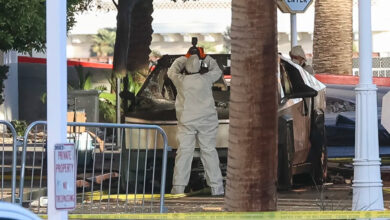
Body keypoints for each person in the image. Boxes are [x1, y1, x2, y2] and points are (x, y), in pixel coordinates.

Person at [167, 40, 224, 196]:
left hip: (187, 122)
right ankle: (217, 188)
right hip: (207, 122)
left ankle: (178, 188)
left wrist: (185, 57)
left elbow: (171, 71)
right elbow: (217, 70)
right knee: (209, 152)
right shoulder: (206, 79)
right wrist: (204, 57)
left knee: (184, 153)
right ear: (200, 66)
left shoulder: (181, 81)